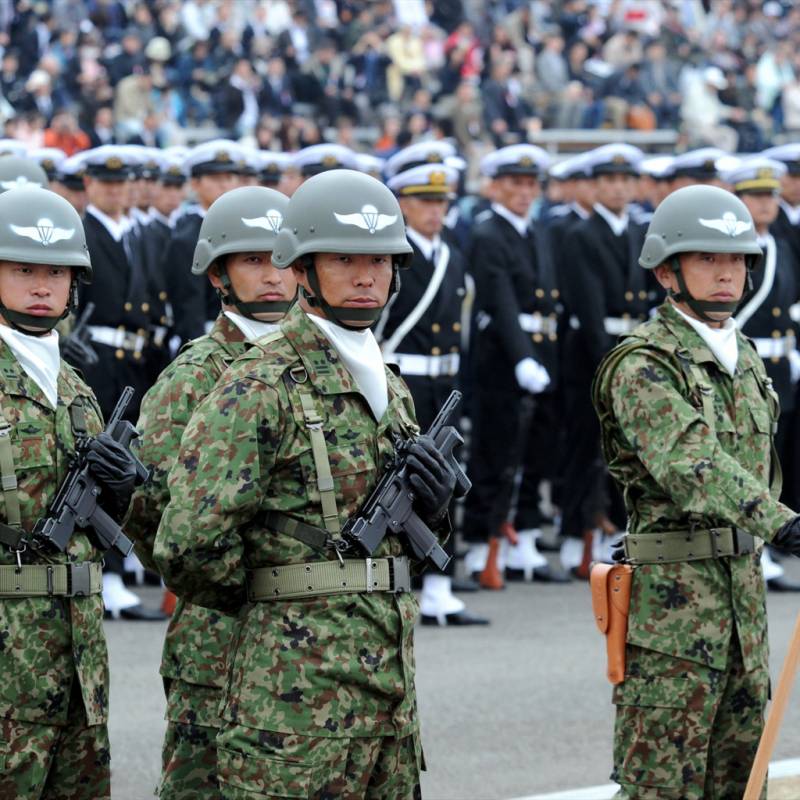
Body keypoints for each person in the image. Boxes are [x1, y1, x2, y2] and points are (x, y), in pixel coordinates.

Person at [154, 169, 456, 799]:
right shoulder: (258, 384)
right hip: (293, 704)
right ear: (304, 269)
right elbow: (187, 543)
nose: (367, 275)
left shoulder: (388, 382)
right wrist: (279, 602)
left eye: (379, 260)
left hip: (387, 695)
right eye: (344, 259)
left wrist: (437, 508)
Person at [592, 184, 800, 798]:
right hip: (672, 624)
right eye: (707, 258)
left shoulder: (748, 359)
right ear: (666, 270)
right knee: (662, 786)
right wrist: (781, 521)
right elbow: (691, 462)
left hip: (743, 613)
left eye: (736, 260)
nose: (727, 273)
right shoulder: (644, 364)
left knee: (743, 784)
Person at [127, 185, 294, 799]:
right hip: (218, 639)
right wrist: (244, 586)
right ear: (219, 275)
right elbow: (151, 515)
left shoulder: (328, 365)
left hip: (310, 642)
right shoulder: (193, 378)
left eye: (280, 258)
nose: (271, 275)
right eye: (252, 260)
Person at [0, 186, 138, 799]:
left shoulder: (78, 389)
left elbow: (97, 531)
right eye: (24, 269)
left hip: (79, 665)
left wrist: (120, 490)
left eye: (55, 272)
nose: (41, 285)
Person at [382, 159, 487, 626]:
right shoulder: (392, 253)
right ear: (403, 204)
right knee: (402, 482)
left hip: (445, 380)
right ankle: (408, 579)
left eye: (441, 202)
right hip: (406, 379)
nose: (435, 211)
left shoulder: (452, 253)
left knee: (444, 479)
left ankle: (441, 584)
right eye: (425, 202)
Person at [462, 143, 567, 590]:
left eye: (530, 184)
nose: (524, 192)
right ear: (494, 187)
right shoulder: (488, 233)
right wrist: (522, 356)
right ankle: (483, 542)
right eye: (514, 184)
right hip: (503, 355)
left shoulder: (534, 230)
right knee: (497, 452)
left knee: (535, 450)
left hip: (540, 347)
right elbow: (500, 302)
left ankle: (522, 536)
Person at [559, 143, 648, 579]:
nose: (617, 188)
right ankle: (576, 537)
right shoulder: (581, 234)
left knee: (624, 450)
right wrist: (612, 364)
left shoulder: (636, 232)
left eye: (624, 180)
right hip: (594, 355)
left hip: (630, 346)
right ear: (593, 187)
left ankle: (616, 532)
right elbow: (590, 310)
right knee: (585, 447)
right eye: (608, 181)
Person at [727, 156, 800, 592]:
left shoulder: (781, 245)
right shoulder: (734, 250)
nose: (766, 204)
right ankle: (752, 546)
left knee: (777, 461)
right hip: (745, 364)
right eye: (755, 195)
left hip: (780, 365)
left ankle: (766, 544)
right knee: (748, 461)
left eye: (770, 195)